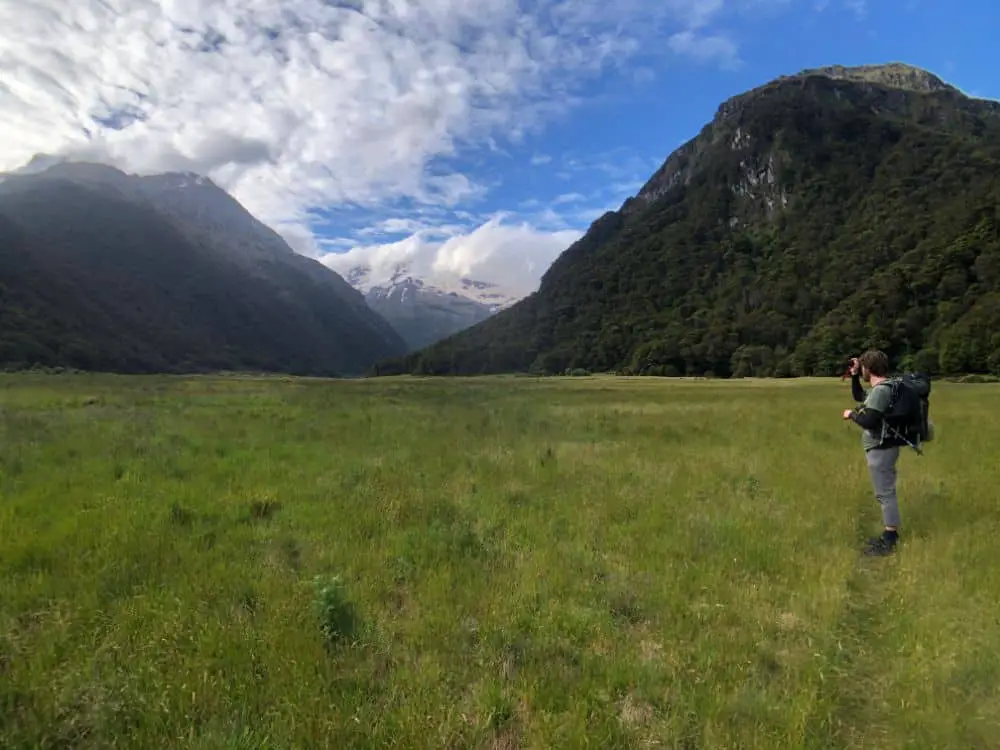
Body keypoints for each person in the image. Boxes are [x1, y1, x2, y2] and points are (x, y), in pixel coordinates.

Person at [841, 349, 901, 556]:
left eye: (863, 368)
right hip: (881, 447)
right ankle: (889, 534)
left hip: (881, 448)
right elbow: (859, 395)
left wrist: (851, 414)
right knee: (884, 492)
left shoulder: (881, 391)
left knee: (885, 493)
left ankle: (890, 539)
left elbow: (869, 420)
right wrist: (855, 375)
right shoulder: (881, 389)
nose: (863, 370)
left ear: (870, 368)